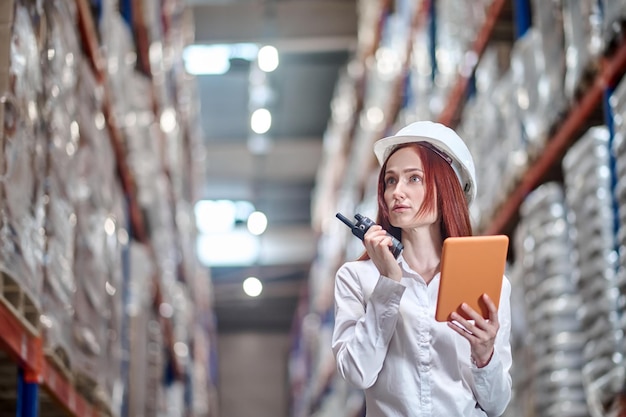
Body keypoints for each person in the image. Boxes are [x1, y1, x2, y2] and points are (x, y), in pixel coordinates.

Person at [331, 121, 512, 416]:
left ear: (446, 189)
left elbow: (496, 405)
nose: (396, 192)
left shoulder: (490, 283)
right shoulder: (357, 278)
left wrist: (485, 356)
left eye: (414, 179)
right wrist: (389, 282)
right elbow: (356, 372)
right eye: (390, 181)